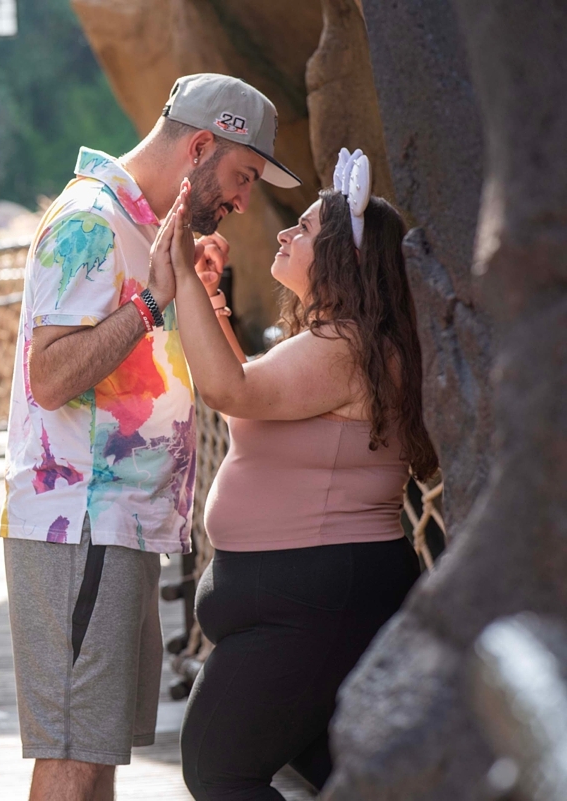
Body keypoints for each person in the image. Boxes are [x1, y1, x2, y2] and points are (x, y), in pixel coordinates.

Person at [2, 73, 302, 801]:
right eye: (242, 176)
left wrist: (180, 294)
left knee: (94, 754)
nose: (243, 200)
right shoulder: (91, 222)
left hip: (114, 530)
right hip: (79, 524)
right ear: (200, 146)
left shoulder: (140, 230)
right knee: (72, 758)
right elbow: (50, 376)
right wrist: (151, 304)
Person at [152, 149, 438, 800]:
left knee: (220, 769)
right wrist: (214, 302)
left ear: (342, 259)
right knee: (346, 779)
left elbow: (233, 391)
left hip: (315, 597)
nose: (284, 232)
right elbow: (247, 383)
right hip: (309, 597)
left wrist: (183, 281)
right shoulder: (338, 344)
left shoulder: (351, 349)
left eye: (303, 229)